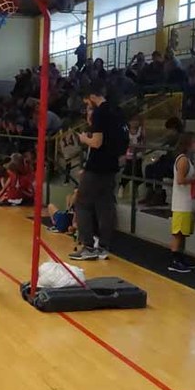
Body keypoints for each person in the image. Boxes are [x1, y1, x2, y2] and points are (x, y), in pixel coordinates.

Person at [70, 82, 128, 261]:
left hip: (97, 166)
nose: (88, 106)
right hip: (112, 166)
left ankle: (87, 245)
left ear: (92, 96)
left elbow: (96, 142)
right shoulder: (117, 111)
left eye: (87, 102)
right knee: (105, 206)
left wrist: (83, 138)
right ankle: (103, 246)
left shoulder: (100, 113)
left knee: (82, 203)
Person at [168, 132, 195, 273]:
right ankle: (175, 260)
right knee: (178, 233)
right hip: (182, 203)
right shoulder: (183, 160)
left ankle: (180, 257)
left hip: (188, 201)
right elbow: (180, 180)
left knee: (183, 233)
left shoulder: (187, 160)